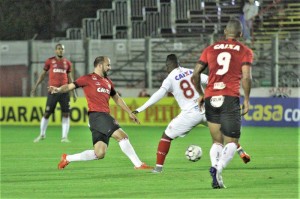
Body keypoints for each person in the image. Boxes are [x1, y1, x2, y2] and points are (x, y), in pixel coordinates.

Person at [133, 54, 250, 173]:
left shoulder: (169, 79)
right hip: (206, 109)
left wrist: (140, 108)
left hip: (190, 114)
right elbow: (211, 81)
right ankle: (242, 153)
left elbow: (158, 95)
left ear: (167, 66)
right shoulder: (191, 72)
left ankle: (158, 168)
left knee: (166, 136)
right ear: (178, 63)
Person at [48, 56, 153, 170]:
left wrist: (129, 112)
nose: (110, 67)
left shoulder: (108, 82)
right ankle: (138, 164)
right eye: (108, 65)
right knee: (122, 136)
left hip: (101, 117)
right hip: (97, 115)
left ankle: (67, 158)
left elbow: (117, 98)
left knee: (99, 153)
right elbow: (70, 86)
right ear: (100, 65)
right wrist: (58, 89)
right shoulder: (87, 78)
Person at [192, 19, 253, 189]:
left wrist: (201, 94)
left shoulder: (210, 49)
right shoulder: (245, 51)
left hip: (211, 97)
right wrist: (247, 100)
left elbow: (195, 74)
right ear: (240, 34)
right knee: (232, 141)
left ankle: (215, 169)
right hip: (229, 97)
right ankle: (218, 169)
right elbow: (247, 77)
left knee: (216, 141)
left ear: (225, 32)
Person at [31, 43, 77, 143]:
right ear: (55, 50)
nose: (61, 50)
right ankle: (42, 134)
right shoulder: (50, 61)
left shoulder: (67, 63)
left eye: (62, 49)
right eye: (59, 49)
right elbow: (42, 75)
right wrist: (35, 86)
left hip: (64, 92)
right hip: (52, 91)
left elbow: (70, 78)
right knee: (47, 113)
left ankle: (64, 137)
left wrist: (74, 92)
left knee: (66, 114)